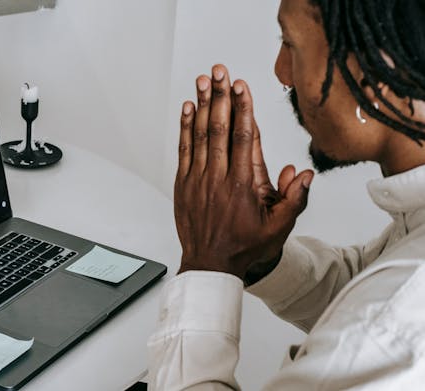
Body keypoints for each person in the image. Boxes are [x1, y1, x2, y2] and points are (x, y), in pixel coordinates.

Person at [148, 0, 425, 389]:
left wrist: (207, 263)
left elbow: (375, 319)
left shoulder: (390, 334)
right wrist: (262, 258)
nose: (282, 72)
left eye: (290, 42)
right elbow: (364, 290)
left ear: (377, 71)